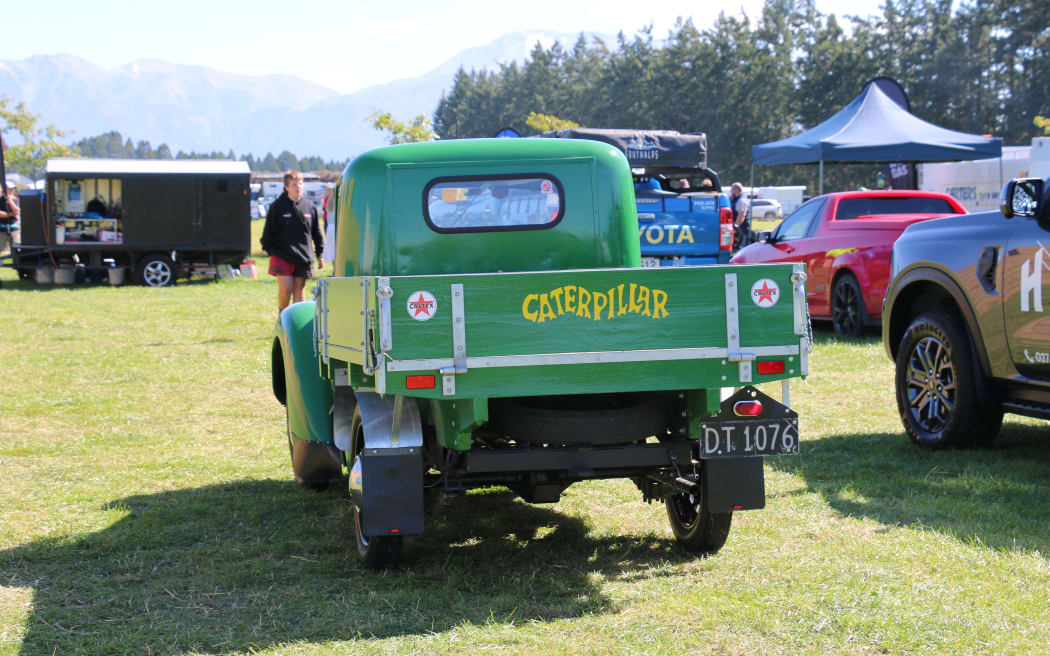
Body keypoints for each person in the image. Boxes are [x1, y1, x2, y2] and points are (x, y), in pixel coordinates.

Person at [260, 171, 324, 313]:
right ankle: (282, 317)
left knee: (299, 294)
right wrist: (272, 252)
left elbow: (316, 233)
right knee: (286, 288)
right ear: (286, 187)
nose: (298, 187)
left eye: (300, 184)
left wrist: (320, 254)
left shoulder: (309, 206)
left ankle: (296, 324)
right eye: (294, 184)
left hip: (303, 256)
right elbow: (267, 234)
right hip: (281, 254)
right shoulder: (277, 206)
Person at [729, 182, 751, 250]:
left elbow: (741, 215)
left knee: (742, 249)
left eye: (732, 190)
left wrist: (736, 227)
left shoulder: (741, 200)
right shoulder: (735, 198)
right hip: (739, 229)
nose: (731, 191)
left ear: (736, 190)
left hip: (742, 229)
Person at [0, 185, 20, 257]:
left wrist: (10, 200)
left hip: (13, 228)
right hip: (1, 228)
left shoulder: (15, 200)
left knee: (16, 249)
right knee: (1, 249)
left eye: (13, 189)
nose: (12, 190)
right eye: (10, 189)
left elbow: (17, 211)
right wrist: (11, 214)